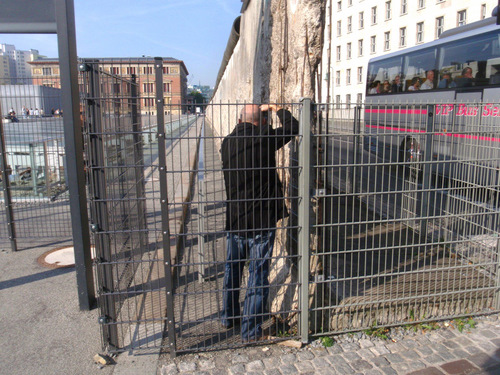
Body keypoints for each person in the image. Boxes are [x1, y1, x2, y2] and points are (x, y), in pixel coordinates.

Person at [220, 103, 299, 342]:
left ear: (239, 119)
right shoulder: (264, 139)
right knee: (256, 276)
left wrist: (256, 114)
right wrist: (278, 108)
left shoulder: (227, 143)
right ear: (261, 121)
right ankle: (251, 331)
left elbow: (243, 127)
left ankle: (228, 317)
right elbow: (293, 126)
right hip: (261, 221)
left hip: (235, 221)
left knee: (232, 271)